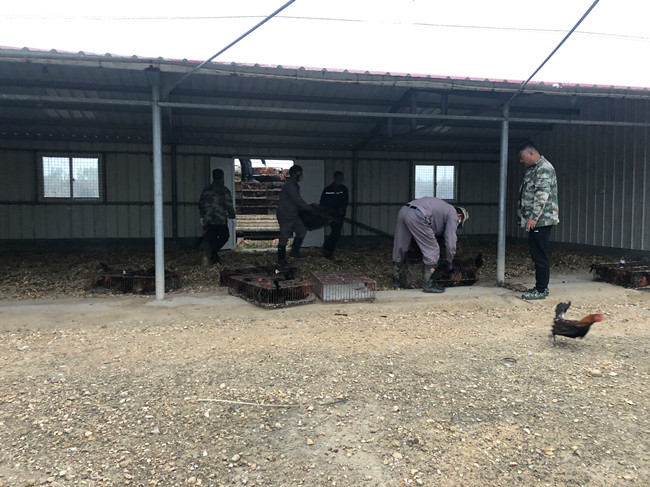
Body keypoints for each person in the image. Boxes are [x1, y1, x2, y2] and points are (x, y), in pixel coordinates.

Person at [392, 197, 469, 293]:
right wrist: (450, 259)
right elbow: (451, 242)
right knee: (433, 249)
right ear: (460, 216)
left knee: (400, 245)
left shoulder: (444, 208)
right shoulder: (453, 215)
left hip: (404, 210)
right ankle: (429, 284)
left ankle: (397, 283)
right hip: (418, 215)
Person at [517, 140, 559, 300]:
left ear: (531, 153)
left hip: (541, 220)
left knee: (540, 254)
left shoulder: (543, 168)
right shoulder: (533, 169)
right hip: (537, 220)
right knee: (536, 254)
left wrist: (533, 217)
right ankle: (540, 286)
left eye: (522, 157)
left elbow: (542, 194)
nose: (521, 161)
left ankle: (541, 289)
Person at [276, 165, 313, 267]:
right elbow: (297, 199)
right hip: (286, 215)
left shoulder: (293, 184)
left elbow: (297, 200)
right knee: (284, 237)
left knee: (302, 230)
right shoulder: (290, 185)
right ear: (294, 174)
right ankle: (281, 259)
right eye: (299, 173)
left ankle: (294, 251)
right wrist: (309, 208)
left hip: (293, 214)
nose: (300, 176)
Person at [198, 168, 236, 264]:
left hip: (208, 219)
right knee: (224, 236)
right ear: (222, 177)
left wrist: (202, 216)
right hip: (220, 219)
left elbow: (201, 204)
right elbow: (228, 205)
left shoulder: (206, 190)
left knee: (212, 238)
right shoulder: (224, 190)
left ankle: (212, 257)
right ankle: (212, 253)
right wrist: (232, 217)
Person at [319, 171, 349, 258]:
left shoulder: (344, 189)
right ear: (335, 178)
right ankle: (328, 249)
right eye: (338, 178)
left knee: (336, 232)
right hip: (330, 214)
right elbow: (323, 201)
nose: (340, 180)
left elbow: (345, 201)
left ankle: (328, 249)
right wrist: (327, 210)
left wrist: (341, 209)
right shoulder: (328, 190)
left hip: (339, 214)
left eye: (341, 178)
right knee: (335, 232)